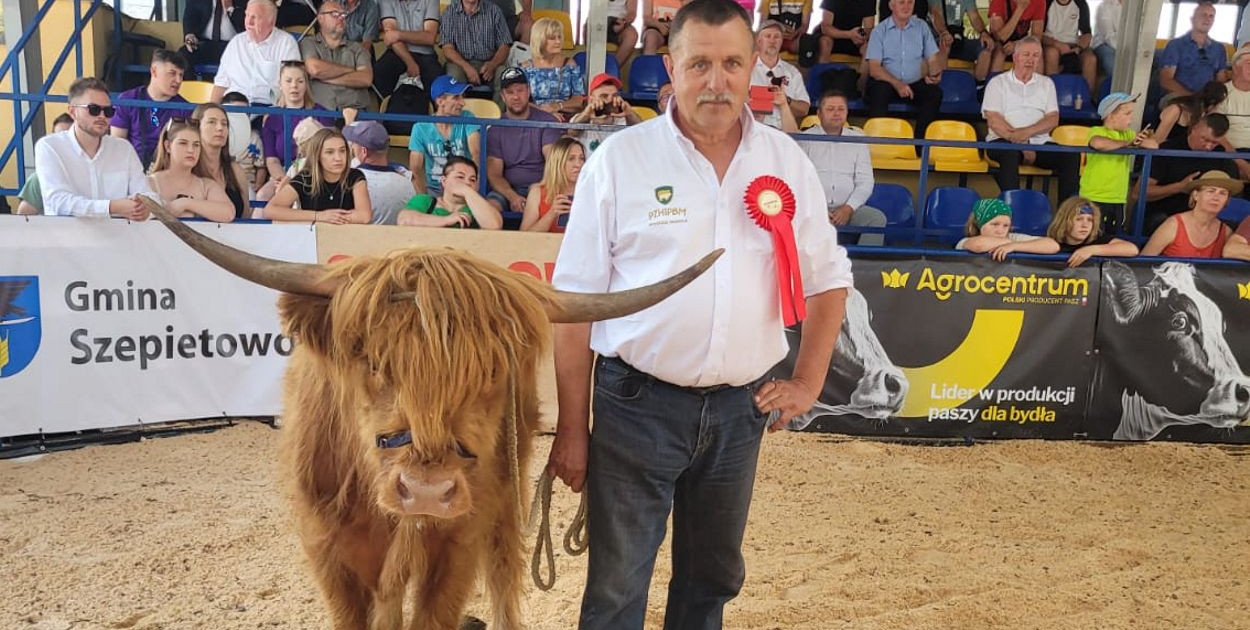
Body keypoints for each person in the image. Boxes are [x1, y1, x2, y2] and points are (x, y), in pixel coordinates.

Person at [546, 2, 852, 628]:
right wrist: (573, 430)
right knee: (616, 585)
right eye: (700, 64)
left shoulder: (787, 162)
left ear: (754, 70)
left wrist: (809, 384)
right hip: (635, 405)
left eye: (732, 63)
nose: (717, 82)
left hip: (742, 411)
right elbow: (573, 307)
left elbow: (829, 281)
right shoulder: (619, 161)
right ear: (671, 67)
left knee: (711, 579)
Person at [36, 77, 154, 220]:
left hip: (119, 239)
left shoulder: (123, 148)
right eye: (94, 109)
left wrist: (145, 208)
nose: (102, 116)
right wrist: (111, 207)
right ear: (73, 112)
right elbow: (59, 202)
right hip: (66, 239)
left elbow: (147, 195)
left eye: (109, 111)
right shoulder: (50, 147)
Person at [982, 37, 1079, 200]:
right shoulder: (997, 83)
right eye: (1026, 54)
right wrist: (1018, 141)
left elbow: (1053, 119)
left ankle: (1066, 218)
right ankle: (1013, 212)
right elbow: (994, 120)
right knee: (1010, 154)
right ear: (1015, 57)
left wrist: (1027, 137)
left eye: (1035, 55)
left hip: (1039, 143)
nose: (1031, 59)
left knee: (1071, 156)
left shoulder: (1047, 83)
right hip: (1003, 140)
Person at [800, 90, 888, 246]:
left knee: (876, 218)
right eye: (830, 109)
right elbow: (798, 182)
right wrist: (817, 208)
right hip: (813, 209)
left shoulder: (858, 140)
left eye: (841, 109)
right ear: (819, 114)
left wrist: (849, 208)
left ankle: (865, 268)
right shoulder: (806, 138)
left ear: (847, 113)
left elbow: (865, 182)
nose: (836, 113)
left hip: (848, 208)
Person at [1137, 114, 1236, 234]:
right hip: (1164, 211)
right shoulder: (1167, 150)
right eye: (1204, 139)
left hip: (1205, 215)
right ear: (1194, 129)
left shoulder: (1220, 154)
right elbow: (1138, 192)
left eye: (1214, 142)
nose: (1208, 146)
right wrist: (1179, 187)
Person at [486, 67, 564, 214]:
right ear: (502, 96)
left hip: (543, 187)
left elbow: (553, 163)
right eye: (510, 92)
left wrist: (538, 192)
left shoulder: (547, 121)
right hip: (508, 190)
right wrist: (513, 197)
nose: (516, 97)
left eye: (520, 90)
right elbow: (494, 173)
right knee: (490, 208)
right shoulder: (496, 127)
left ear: (528, 91)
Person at [865, 0, 944, 138]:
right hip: (887, 82)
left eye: (910, 2)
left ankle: (920, 146)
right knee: (879, 90)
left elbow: (933, 59)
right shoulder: (879, 31)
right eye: (902, 2)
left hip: (914, 82)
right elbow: (874, 69)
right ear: (891, 5)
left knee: (934, 93)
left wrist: (935, 73)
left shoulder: (922, 27)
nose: (907, 6)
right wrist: (897, 84)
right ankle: (877, 143)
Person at [1082, 92, 1157, 234]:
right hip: (1094, 196)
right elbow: (1098, 143)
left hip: (1118, 197)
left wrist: (1139, 141)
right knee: (1092, 234)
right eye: (1127, 113)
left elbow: (1154, 145)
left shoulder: (1127, 133)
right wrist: (1129, 143)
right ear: (1111, 115)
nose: (1131, 118)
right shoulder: (1097, 130)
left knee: (1112, 235)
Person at [264, 128, 372, 223]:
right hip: (312, 237)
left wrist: (332, 218)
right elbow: (270, 210)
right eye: (330, 152)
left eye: (342, 151)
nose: (338, 158)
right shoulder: (306, 178)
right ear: (318, 156)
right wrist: (320, 216)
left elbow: (364, 216)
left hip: (346, 239)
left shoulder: (355, 176)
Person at [110, 49, 191, 169]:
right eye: (172, 73)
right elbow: (117, 143)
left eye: (181, 75)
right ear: (154, 71)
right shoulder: (128, 100)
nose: (178, 80)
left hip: (168, 172)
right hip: (131, 169)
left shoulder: (185, 108)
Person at [211, 0, 301, 104]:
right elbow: (220, 85)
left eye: (255, 17)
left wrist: (275, 113)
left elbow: (292, 87)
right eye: (247, 15)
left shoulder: (286, 43)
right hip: (235, 108)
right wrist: (212, 110)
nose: (249, 22)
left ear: (271, 22)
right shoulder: (236, 42)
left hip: (268, 109)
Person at [147, 119, 237, 222]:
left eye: (196, 145)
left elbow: (228, 213)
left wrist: (186, 203)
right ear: (168, 146)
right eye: (183, 143)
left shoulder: (206, 185)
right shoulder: (151, 182)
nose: (191, 150)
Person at [261, 61, 336, 186]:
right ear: (280, 84)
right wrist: (284, 180)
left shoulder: (322, 113)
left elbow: (330, 150)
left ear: (306, 84)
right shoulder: (272, 117)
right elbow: (272, 160)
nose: (294, 86)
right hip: (282, 175)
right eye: (288, 81)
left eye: (300, 81)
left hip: (316, 174)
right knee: (262, 196)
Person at [408, 75, 482, 194]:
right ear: (440, 101)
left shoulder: (468, 117)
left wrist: (472, 188)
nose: (463, 103)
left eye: (462, 97)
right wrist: (425, 200)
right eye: (456, 97)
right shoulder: (420, 127)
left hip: (464, 188)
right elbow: (415, 169)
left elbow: (476, 153)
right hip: (433, 190)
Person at [1141, 170, 1239, 258]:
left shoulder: (1226, 232)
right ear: (1196, 195)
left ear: (1227, 200)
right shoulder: (1173, 225)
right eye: (1210, 191)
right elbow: (1142, 264)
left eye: (1222, 193)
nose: (1216, 198)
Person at [301, 1, 374, 111]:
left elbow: (366, 79)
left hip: (356, 113)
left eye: (343, 15)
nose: (341, 18)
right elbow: (315, 69)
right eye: (335, 14)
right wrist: (351, 70)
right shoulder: (308, 43)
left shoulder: (358, 48)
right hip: (320, 114)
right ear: (320, 18)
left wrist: (325, 78)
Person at [343, 119, 417, 225]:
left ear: (364, 151)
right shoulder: (407, 183)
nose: (353, 147)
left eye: (354, 145)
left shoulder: (350, 181)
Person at [397, 155, 504, 228]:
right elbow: (404, 220)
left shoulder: (478, 206)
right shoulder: (425, 201)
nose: (467, 182)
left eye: (472, 180)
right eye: (460, 177)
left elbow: (494, 225)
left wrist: (467, 191)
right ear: (444, 181)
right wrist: (446, 220)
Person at [191, 102, 252, 219]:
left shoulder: (236, 170)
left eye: (224, 124)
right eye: (212, 122)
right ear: (197, 127)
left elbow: (245, 217)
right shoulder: (188, 168)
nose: (220, 128)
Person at [373, 0, 442, 102]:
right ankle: (384, 112)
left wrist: (398, 35)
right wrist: (410, 62)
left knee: (438, 81)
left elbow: (429, 38)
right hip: (397, 52)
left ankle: (432, 114)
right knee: (379, 72)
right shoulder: (386, 1)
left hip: (425, 54)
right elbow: (391, 37)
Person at [1158, 2, 1228, 99]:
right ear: (1192, 19)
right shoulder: (1175, 45)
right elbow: (1165, 80)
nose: (1207, 19)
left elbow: (1221, 80)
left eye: (1211, 16)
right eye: (1203, 15)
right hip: (1178, 97)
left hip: (1207, 100)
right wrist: (1192, 97)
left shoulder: (1219, 49)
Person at [439, 0, 513, 91]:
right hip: (460, 64)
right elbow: (447, 49)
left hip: (489, 63)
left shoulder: (494, 11)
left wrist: (492, 64)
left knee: (504, 75)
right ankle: (460, 105)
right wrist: (466, 67)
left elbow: (504, 46)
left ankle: (497, 106)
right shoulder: (449, 13)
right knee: (454, 76)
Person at [1045, 197, 1138, 266]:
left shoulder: (1097, 240)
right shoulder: (1054, 242)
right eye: (1079, 219)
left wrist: (1091, 250)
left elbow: (1132, 249)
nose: (1085, 225)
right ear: (1064, 221)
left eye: (1090, 220)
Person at [522, 18, 586, 118]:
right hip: (534, 117)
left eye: (559, 37)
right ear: (540, 40)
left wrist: (557, 106)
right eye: (552, 38)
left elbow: (579, 100)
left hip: (565, 117)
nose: (558, 41)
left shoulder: (569, 64)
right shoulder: (526, 68)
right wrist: (546, 113)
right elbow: (519, 101)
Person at [750, 20, 807, 132]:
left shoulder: (792, 72)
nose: (772, 40)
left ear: (782, 41)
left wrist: (786, 100)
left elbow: (804, 109)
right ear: (759, 41)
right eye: (768, 36)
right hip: (753, 131)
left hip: (784, 133)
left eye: (777, 37)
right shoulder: (746, 69)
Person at [955, 198, 1059, 259]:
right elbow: (979, 245)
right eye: (995, 224)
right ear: (978, 224)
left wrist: (1014, 246)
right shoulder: (965, 241)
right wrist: (1008, 243)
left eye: (1006, 226)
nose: (1000, 231)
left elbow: (1053, 245)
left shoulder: (1012, 239)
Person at [521, 137, 584, 232]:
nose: (578, 164)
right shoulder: (537, 193)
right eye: (571, 159)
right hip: (546, 246)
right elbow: (524, 237)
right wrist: (551, 214)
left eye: (581, 158)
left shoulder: (591, 192)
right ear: (557, 163)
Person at [567, 73, 642, 153]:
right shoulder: (581, 117)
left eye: (614, 95)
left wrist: (629, 113)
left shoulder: (625, 120)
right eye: (604, 96)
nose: (610, 100)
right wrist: (586, 114)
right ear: (592, 100)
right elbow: (572, 132)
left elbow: (641, 133)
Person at [15, 114, 73, 216]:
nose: (63, 142)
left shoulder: (95, 172)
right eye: (58, 137)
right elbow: (24, 217)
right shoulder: (39, 179)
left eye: (68, 137)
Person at [1041, 0, 1095, 94]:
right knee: (1051, 53)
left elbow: (1087, 34)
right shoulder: (1047, 3)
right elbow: (1039, 34)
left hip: (1074, 45)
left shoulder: (1080, 3)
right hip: (1051, 44)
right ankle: (1052, 96)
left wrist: (1079, 48)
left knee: (1091, 59)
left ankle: (1087, 98)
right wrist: (1057, 44)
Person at [219, 92, 265, 194]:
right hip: (220, 184)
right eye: (236, 113)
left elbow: (261, 167)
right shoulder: (217, 136)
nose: (241, 117)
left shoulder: (254, 138)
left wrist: (257, 186)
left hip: (247, 186)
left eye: (244, 113)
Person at [181, 0, 249, 68]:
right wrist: (189, 35)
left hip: (233, 46)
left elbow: (247, 25)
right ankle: (191, 79)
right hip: (205, 43)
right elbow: (189, 16)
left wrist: (230, 8)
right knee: (183, 56)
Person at [1155, 80, 1227, 143]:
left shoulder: (1203, 117)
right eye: (1218, 105)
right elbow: (1158, 140)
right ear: (1212, 104)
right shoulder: (1175, 110)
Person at [1216, 45, 1250, 174]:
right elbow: (1215, 133)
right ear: (1235, 68)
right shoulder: (1221, 93)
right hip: (1229, 154)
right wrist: (1242, 163)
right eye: (1249, 63)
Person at [818, 0, 874, 74]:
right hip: (834, 37)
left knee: (870, 48)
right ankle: (821, 81)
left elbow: (869, 29)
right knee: (824, 42)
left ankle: (860, 84)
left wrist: (861, 36)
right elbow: (825, 28)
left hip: (855, 39)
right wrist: (849, 34)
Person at [987, 0, 1044, 73]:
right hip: (1000, 42)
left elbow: (1037, 36)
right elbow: (1000, 37)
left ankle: (1036, 83)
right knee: (999, 52)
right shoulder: (998, 2)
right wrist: (1020, 9)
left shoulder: (1039, 2)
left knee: (1037, 52)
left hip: (1020, 40)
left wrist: (1019, 45)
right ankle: (994, 82)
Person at [594, 0, 640, 68]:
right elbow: (595, 9)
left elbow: (632, 13)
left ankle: (612, 69)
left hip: (620, 21)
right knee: (590, 28)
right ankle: (595, 69)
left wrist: (623, 23)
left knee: (632, 35)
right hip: (599, 20)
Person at [1091, 0, 1118, 76]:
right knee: (1109, 59)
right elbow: (1108, 37)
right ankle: (1118, 87)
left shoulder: (1134, 8)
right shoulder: (1104, 7)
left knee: (1153, 55)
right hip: (1103, 44)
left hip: (1128, 45)